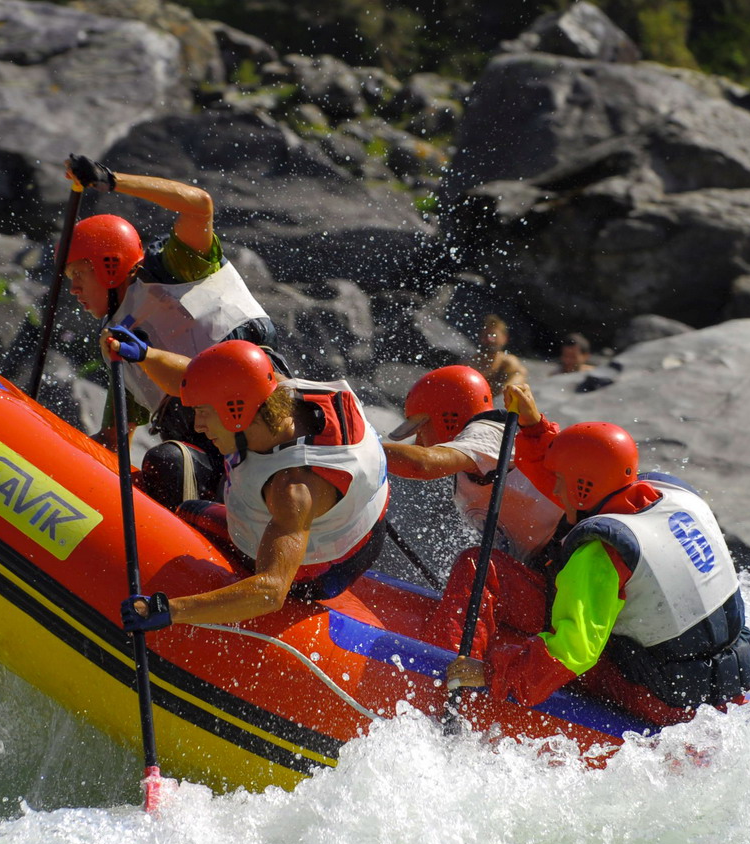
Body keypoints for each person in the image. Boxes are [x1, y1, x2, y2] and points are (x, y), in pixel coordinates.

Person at [445, 421, 750, 724]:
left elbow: (574, 652)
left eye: (560, 480)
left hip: (659, 702)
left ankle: (442, 677)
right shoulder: (678, 497)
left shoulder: (600, 552)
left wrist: (492, 673)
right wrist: (535, 427)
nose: (554, 487)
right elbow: (584, 466)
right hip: (722, 683)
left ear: (582, 488)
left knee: (480, 568)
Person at [118, 339, 389, 630]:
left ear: (235, 411)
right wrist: (146, 355)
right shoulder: (279, 391)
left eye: (203, 413)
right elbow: (206, 381)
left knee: (186, 508)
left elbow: (270, 592)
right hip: (360, 525)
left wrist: (169, 610)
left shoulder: (292, 490)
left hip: (321, 571)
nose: (197, 425)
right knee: (170, 464)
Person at [60, 154, 278, 506]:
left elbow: (198, 205)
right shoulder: (120, 343)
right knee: (164, 466)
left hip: (257, 424)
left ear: (108, 264)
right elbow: (115, 441)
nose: (73, 290)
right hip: (208, 459)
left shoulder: (176, 267)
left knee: (167, 463)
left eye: (78, 275)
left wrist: (110, 180)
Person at [383, 368, 565, 566]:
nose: (417, 441)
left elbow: (422, 464)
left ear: (448, 419)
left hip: (567, 556)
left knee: (469, 562)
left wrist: (359, 449)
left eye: (421, 429)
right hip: (543, 565)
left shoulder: (486, 432)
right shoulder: (468, 461)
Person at [470, 314, 529, 392]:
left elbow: (519, 376)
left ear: (505, 338)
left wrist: (507, 389)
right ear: (480, 337)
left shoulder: (507, 362)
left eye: (494, 336)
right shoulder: (470, 363)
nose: (490, 340)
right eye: (486, 335)